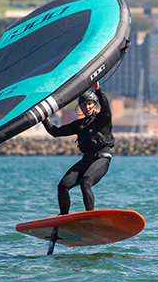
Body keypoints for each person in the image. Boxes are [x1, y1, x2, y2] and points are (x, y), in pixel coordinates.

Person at [42, 82, 114, 215]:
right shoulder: (79, 125)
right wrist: (43, 117)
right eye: (84, 104)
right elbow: (55, 132)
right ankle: (64, 217)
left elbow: (106, 106)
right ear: (80, 106)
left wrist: (98, 91)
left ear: (94, 104)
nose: (86, 107)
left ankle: (89, 216)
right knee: (63, 186)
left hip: (102, 159)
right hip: (86, 160)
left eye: (89, 104)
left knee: (85, 182)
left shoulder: (103, 119)